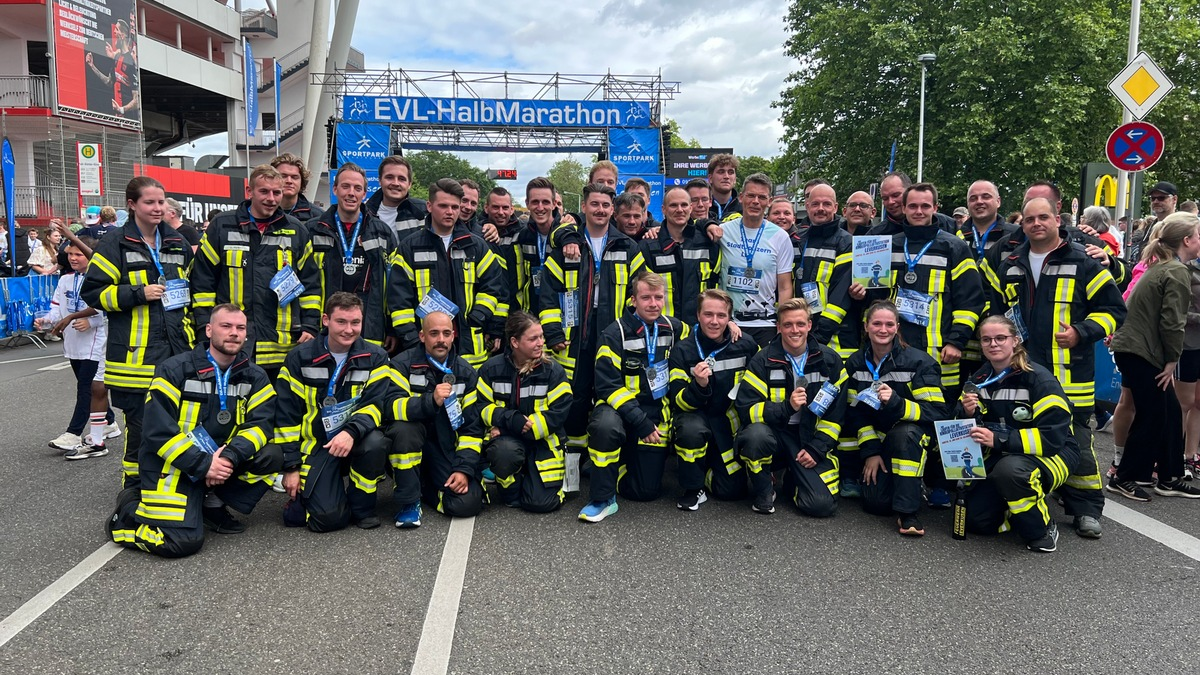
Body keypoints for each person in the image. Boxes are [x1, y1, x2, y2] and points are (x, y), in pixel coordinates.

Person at [985, 196, 1126, 538]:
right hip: (1025, 369)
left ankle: (1086, 510)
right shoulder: (1013, 264)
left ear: (1057, 220)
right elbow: (1001, 310)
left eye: (1043, 217)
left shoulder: (1083, 262)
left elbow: (1114, 311)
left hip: (1068, 371)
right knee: (1031, 434)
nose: (1036, 224)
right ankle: (1040, 494)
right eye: (1030, 219)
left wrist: (1082, 332)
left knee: (1076, 438)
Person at [107, 305, 281, 557]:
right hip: (176, 465)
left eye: (240, 328)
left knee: (273, 455)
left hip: (221, 463)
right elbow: (157, 431)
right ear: (209, 330)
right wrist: (202, 465)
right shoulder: (174, 369)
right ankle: (127, 515)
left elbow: (261, 425)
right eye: (226, 326)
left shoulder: (255, 376)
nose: (234, 333)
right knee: (182, 542)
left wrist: (228, 457)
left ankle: (212, 504)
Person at [81, 177, 195, 489]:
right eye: (150, 202)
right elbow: (93, 293)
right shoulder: (114, 243)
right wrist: (137, 293)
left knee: (180, 423)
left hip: (177, 353)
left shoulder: (177, 243)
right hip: (134, 360)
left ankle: (176, 490)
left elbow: (193, 293)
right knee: (141, 429)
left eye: (161, 202)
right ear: (132, 205)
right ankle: (134, 492)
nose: (158, 208)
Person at [540, 182, 643, 459]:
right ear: (583, 207)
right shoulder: (567, 245)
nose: (600, 210)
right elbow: (548, 293)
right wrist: (552, 332)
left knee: (611, 392)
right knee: (575, 396)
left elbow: (641, 292)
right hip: (574, 336)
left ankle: (609, 456)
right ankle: (575, 458)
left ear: (613, 210)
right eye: (594, 204)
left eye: (606, 205)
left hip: (614, 334)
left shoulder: (628, 246)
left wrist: (633, 331)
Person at [960, 316, 1081, 553]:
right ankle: (1017, 510)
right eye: (986, 339)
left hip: (1053, 453)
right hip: (1006, 452)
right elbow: (964, 431)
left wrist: (999, 440)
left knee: (1011, 473)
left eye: (1000, 338)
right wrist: (968, 413)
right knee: (977, 521)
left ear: (1015, 341)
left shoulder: (1038, 379)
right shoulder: (978, 380)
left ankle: (1042, 528)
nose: (993, 344)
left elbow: (1053, 438)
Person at [275, 292, 393, 531]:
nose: (349, 329)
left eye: (355, 322)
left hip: (355, 439)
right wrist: (291, 467)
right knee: (328, 520)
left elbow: (375, 405)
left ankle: (362, 508)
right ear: (326, 320)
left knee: (376, 442)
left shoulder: (376, 357)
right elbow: (286, 414)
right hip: (316, 445)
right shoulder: (299, 358)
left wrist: (350, 432)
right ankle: (311, 503)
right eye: (341, 322)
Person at [192, 165, 323, 378]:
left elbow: (310, 283)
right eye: (264, 191)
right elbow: (202, 282)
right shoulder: (222, 226)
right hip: (232, 342)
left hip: (282, 345)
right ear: (249, 191)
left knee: (275, 408)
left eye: (276, 192)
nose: (271, 198)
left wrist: (310, 325)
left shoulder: (297, 230)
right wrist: (205, 327)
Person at [857, 182, 984, 398]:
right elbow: (875, 299)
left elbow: (971, 301)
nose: (918, 211)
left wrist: (956, 341)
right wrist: (861, 292)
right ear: (904, 208)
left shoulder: (955, 247)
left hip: (940, 353)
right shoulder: (885, 245)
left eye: (925, 206)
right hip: (893, 350)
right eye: (913, 206)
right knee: (893, 411)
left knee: (938, 413)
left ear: (935, 208)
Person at [580, 272, 686, 521]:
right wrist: (640, 423)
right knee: (605, 426)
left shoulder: (673, 328)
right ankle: (602, 498)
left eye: (658, 297)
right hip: (619, 410)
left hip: (654, 412)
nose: (653, 303)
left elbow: (704, 335)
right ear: (633, 300)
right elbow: (607, 386)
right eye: (646, 297)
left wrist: (730, 326)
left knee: (645, 492)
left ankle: (613, 466)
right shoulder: (614, 333)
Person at [1107, 212, 1200, 500]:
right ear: (1186, 240)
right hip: (1140, 351)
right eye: (1197, 235)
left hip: (1137, 349)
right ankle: (1124, 477)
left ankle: (1169, 477)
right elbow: (1172, 322)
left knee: (1170, 411)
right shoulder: (1176, 271)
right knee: (1152, 415)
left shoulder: (1166, 266)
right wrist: (1172, 360)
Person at [843, 301, 947, 536]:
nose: (883, 329)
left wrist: (897, 404)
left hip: (914, 438)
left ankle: (908, 514)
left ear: (897, 327)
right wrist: (871, 451)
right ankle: (899, 484)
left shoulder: (919, 363)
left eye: (889, 324)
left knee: (905, 435)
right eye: (877, 323)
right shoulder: (855, 363)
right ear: (866, 326)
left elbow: (936, 412)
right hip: (880, 443)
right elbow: (855, 412)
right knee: (876, 505)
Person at [734, 298, 845, 516]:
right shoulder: (762, 360)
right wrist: (787, 407)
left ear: (809, 325)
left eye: (800, 324)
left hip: (808, 437)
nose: (795, 330)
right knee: (755, 436)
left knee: (820, 506)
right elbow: (747, 409)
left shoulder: (829, 361)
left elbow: (835, 416)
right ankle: (765, 490)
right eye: (788, 325)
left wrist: (817, 448)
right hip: (774, 434)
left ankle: (794, 479)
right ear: (778, 327)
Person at [388, 178, 507, 367]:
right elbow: (398, 300)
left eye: (454, 207)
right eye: (443, 206)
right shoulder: (410, 247)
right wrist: (411, 337)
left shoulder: (476, 246)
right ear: (429, 205)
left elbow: (494, 286)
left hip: (469, 348)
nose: (450, 212)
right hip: (424, 345)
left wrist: (477, 317)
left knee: (469, 395)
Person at [385, 311, 486, 525]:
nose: (441, 339)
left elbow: (472, 430)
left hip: (445, 447)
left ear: (453, 336)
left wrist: (463, 470)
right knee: (403, 430)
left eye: (446, 333)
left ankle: (425, 489)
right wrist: (430, 401)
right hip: (411, 443)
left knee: (466, 504)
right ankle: (409, 501)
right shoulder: (401, 365)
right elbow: (391, 407)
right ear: (422, 336)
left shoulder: (466, 373)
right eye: (434, 333)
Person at [668, 289, 758, 509]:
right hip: (694, 417)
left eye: (721, 316)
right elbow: (678, 402)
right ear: (698, 315)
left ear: (730, 318)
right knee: (691, 430)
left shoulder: (745, 344)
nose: (714, 321)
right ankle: (693, 487)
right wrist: (698, 386)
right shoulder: (683, 350)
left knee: (732, 492)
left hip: (726, 423)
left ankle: (707, 468)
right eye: (708, 314)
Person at [477, 311, 572, 512]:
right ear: (514, 342)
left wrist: (507, 429)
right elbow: (481, 407)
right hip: (508, 445)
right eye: (533, 338)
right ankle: (511, 487)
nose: (541, 343)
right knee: (504, 454)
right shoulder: (490, 369)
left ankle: (531, 479)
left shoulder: (553, 371)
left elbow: (558, 413)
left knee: (541, 504)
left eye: (541, 337)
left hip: (543, 441)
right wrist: (512, 420)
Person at [38, 236, 118, 458]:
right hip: (72, 342)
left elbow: (108, 307)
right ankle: (109, 421)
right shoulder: (65, 280)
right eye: (70, 254)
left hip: (95, 342)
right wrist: (46, 320)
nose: (73, 258)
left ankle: (73, 434)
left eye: (78, 254)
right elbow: (57, 307)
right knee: (92, 390)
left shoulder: (101, 278)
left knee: (86, 388)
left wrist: (90, 321)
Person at [307, 163, 398, 349]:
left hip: (370, 327)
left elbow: (394, 284)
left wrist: (391, 328)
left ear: (365, 194)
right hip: (324, 326)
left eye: (358, 188)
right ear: (335, 189)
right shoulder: (313, 230)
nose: (351, 193)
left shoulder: (382, 233)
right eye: (345, 186)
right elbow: (305, 281)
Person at [715, 173, 795, 347]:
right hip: (728, 322)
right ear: (742, 197)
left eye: (762, 197)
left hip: (765, 323)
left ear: (769, 201)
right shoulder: (723, 231)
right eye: (751, 195)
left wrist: (784, 322)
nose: (756, 201)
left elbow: (785, 286)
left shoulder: (780, 237)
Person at [637, 187, 721, 321]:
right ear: (663, 209)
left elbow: (717, 287)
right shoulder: (648, 246)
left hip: (700, 328)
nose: (679, 210)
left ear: (691, 208)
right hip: (662, 328)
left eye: (684, 205)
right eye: (673, 205)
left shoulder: (709, 243)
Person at [791, 183, 853, 355]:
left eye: (826, 204)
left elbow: (841, 294)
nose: (820, 209)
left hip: (835, 338)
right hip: (798, 332)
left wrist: (819, 336)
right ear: (808, 206)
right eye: (815, 204)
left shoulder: (847, 243)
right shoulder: (796, 240)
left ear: (836, 207)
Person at [515, 177, 581, 314]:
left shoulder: (569, 233)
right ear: (527, 204)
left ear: (554, 204)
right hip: (532, 314)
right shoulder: (523, 237)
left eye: (545, 202)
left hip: (564, 313)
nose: (540, 208)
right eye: (535, 202)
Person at [868, 172, 957, 236]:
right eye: (885, 198)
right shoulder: (876, 235)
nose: (891, 202)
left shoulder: (948, 225)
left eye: (896, 195)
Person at [364, 155, 427, 241]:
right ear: (379, 181)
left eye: (401, 179)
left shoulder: (424, 211)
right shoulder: (365, 214)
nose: (395, 183)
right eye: (389, 177)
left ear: (409, 184)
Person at [271, 153, 316, 221]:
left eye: (294, 177)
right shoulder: (258, 212)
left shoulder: (318, 217)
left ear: (302, 182)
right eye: (283, 176)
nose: (289, 181)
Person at [707, 153, 741, 222]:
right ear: (710, 178)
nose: (726, 176)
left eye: (730, 172)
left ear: (735, 179)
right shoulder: (701, 207)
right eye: (721, 172)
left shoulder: (744, 208)